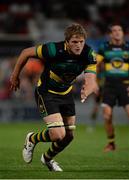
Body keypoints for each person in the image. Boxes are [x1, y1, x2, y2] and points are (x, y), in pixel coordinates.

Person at [10, 23, 98, 171]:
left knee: (69, 136)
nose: (78, 45)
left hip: (66, 93)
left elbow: (90, 78)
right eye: (74, 42)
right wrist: (15, 75)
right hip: (46, 92)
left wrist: (89, 88)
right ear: (67, 42)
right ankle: (32, 138)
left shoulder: (89, 54)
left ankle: (47, 159)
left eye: (81, 42)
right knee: (58, 135)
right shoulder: (52, 49)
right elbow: (26, 52)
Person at [97, 24, 129, 152]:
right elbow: (96, 65)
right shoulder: (104, 47)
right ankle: (111, 143)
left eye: (119, 30)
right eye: (114, 30)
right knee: (107, 116)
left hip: (125, 85)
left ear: (123, 33)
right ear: (110, 34)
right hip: (109, 86)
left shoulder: (128, 47)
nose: (117, 32)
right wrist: (95, 82)